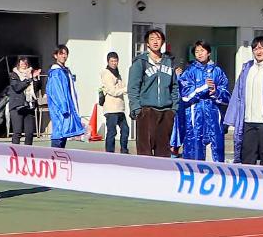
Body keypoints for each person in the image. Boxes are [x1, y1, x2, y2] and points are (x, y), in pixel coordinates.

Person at [225, 36, 263, 165]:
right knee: (247, 157)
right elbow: (238, 94)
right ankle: (249, 183)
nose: (258, 51)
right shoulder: (247, 69)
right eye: (255, 48)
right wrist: (232, 118)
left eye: (261, 48)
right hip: (248, 121)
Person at [176, 41, 230, 162]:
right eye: (196, 51)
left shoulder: (218, 71)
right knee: (194, 149)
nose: (199, 54)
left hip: (213, 115)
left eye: (202, 50)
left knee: (215, 150)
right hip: (195, 116)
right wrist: (204, 87)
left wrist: (216, 92)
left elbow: (226, 96)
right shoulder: (189, 72)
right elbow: (185, 95)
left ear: (209, 52)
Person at [128, 29, 178, 157]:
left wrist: (174, 109)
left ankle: (162, 176)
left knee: (163, 152)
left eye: (158, 38)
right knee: (145, 151)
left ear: (162, 42)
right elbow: (133, 88)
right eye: (152, 39)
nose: (155, 41)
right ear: (147, 43)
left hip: (166, 112)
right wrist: (137, 109)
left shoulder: (169, 62)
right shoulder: (140, 62)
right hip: (147, 111)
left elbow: (174, 86)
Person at [45, 44, 81, 150]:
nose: (64, 56)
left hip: (66, 108)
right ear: (55, 55)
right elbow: (57, 93)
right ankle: (54, 159)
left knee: (63, 134)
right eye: (61, 53)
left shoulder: (65, 71)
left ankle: (58, 159)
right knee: (59, 134)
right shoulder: (56, 72)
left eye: (66, 54)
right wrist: (64, 108)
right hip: (60, 109)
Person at [98, 51, 129, 153]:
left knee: (125, 130)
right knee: (112, 132)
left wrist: (124, 89)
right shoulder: (106, 74)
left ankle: (124, 150)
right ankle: (110, 153)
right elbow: (112, 91)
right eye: (112, 61)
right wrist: (125, 89)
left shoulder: (117, 74)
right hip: (111, 109)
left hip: (120, 108)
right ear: (108, 62)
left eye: (115, 61)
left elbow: (122, 87)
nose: (114, 63)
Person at [6, 56, 42, 145]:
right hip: (17, 106)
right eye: (21, 63)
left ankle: (28, 152)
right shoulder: (13, 75)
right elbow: (17, 88)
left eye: (25, 63)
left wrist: (35, 78)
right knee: (17, 132)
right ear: (18, 64)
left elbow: (37, 88)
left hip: (29, 106)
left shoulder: (31, 74)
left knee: (29, 133)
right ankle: (15, 153)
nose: (23, 65)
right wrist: (29, 79)